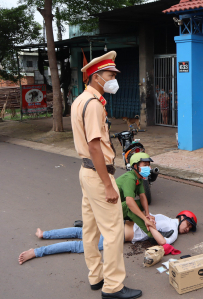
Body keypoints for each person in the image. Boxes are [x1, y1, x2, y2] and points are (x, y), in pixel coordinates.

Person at [71, 51, 141, 299]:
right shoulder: (92, 105)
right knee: (112, 232)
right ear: (97, 76)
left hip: (86, 172)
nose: (114, 79)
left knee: (90, 229)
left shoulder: (80, 100)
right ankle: (113, 287)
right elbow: (94, 145)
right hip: (98, 173)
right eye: (111, 75)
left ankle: (96, 277)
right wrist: (108, 185)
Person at [18, 211, 197, 264]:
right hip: (116, 234)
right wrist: (150, 226)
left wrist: (149, 224)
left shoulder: (164, 218)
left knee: (79, 232)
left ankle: (44, 235)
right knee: (77, 245)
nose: (187, 228)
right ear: (181, 217)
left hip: (114, 225)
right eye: (188, 224)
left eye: (189, 227)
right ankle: (38, 252)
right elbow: (163, 242)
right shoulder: (171, 228)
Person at [118, 152, 163, 242]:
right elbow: (129, 202)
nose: (148, 168)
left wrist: (147, 214)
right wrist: (145, 219)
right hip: (108, 211)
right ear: (135, 166)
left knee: (140, 206)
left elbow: (142, 196)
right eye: (145, 165)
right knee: (130, 206)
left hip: (117, 208)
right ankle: (150, 234)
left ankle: (132, 222)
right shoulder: (130, 178)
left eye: (148, 165)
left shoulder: (139, 177)